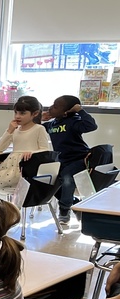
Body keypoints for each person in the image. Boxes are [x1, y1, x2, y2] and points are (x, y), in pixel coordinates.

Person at [43, 95, 98, 223]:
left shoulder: (74, 122)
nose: (51, 108)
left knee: (67, 178)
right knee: (51, 181)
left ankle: (64, 209)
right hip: (62, 160)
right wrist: (40, 118)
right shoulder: (51, 124)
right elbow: (35, 128)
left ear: (66, 112)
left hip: (79, 159)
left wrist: (80, 110)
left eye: (56, 107)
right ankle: (74, 203)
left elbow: (91, 126)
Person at [0, 95, 51, 192]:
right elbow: (0, 148)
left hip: (26, 166)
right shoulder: (15, 130)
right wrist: (9, 131)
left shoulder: (39, 129)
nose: (17, 116)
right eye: (16, 112)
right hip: (10, 166)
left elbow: (46, 150)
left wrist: (33, 153)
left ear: (35, 113)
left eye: (22, 113)